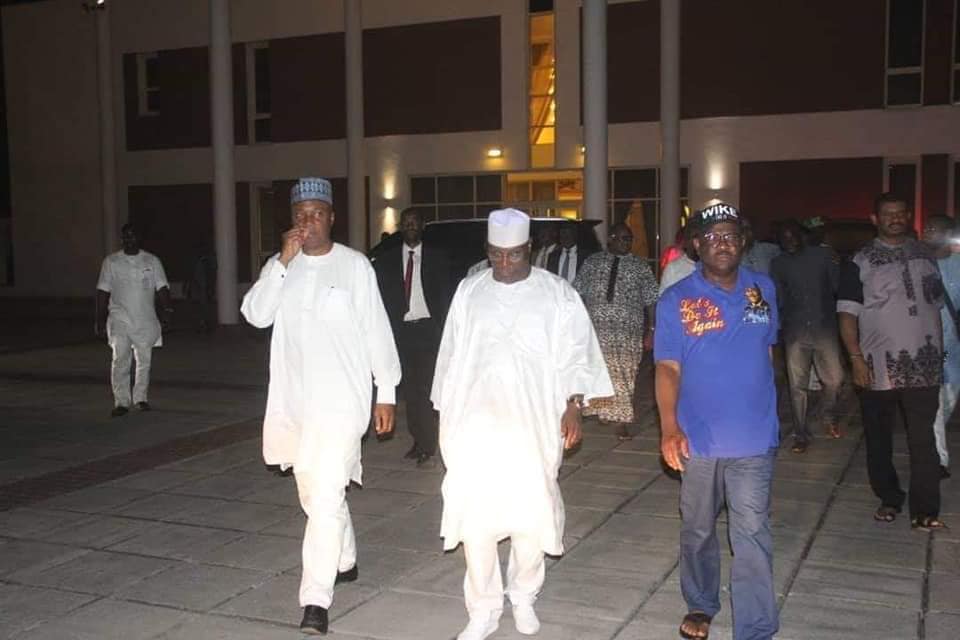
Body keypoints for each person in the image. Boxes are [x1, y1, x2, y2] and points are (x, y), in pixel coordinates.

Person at [432, 208, 612, 640]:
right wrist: (445, 413)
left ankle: (524, 594)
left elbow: (577, 351)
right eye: (496, 254)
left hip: (533, 422)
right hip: (476, 423)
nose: (505, 263)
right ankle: (483, 608)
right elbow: (450, 354)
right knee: (476, 519)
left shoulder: (556, 293)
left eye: (513, 255)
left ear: (529, 248)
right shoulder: (470, 290)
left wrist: (574, 404)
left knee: (532, 515)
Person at [240, 177, 401, 634]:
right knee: (316, 496)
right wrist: (281, 263)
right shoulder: (282, 266)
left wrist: (386, 391)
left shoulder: (354, 266)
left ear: (331, 217)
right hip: (294, 405)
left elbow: (376, 329)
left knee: (326, 495)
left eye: (316, 214)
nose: (307, 222)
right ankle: (344, 558)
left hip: (342, 404)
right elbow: (255, 315)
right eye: (300, 215)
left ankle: (315, 600)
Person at [655, 202, 780, 640]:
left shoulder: (763, 288)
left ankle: (756, 628)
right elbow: (667, 368)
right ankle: (701, 603)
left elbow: (767, 350)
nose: (722, 243)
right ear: (696, 245)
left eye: (730, 235)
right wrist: (669, 427)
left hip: (754, 437)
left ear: (743, 242)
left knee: (752, 532)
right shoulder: (675, 299)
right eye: (711, 236)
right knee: (698, 529)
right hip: (698, 439)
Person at [837, 193, 945, 531]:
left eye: (900, 213)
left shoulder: (926, 255)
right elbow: (846, 314)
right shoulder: (860, 260)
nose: (895, 218)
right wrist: (855, 359)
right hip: (877, 366)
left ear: (908, 216)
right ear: (875, 219)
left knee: (923, 439)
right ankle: (889, 496)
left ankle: (925, 508)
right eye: (888, 214)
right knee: (879, 438)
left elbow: (936, 308)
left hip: (925, 364)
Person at [372, 207, 452, 467]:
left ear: (422, 225)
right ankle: (418, 440)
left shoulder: (438, 257)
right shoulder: (387, 260)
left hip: (428, 331)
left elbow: (446, 297)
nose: (410, 226)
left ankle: (427, 443)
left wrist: (445, 332)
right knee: (409, 390)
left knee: (425, 388)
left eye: (414, 222)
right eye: (405, 222)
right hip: (402, 333)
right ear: (400, 226)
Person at [574, 223, 658, 440]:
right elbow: (578, 293)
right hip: (596, 331)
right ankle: (603, 411)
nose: (627, 242)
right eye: (623, 238)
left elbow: (651, 300)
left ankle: (622, 420)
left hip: (627, 333)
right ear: (610, 239)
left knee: (625, 374)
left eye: (629, 239)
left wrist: (652, 329)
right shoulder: (592, 262)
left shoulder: (640, 266)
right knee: (599, 370)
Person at [770, 220, 843, 453]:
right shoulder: (778, 264)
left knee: (834, 379)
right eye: (784, 238)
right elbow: (778, 297)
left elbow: (837, 286)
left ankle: (828, 413)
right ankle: (801, 433)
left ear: (802, 236)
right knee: (797, 386)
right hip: (795, 331)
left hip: (824, 328)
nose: (789, 241)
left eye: (792, 236)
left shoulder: (822, 256)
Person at [95, 223, 173, 417]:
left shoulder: (152, 261)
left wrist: (167, 310)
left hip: (145, 319)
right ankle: (121, 401)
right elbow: (102, 291)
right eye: (126, 236)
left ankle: (140, 398)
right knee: (120, 358)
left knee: (143, 360)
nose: (129, 239)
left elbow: (162, 288)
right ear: (122, 239)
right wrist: (99, 318)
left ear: (140, 238)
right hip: (119, 318)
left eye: (133, 235)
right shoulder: (111, 262)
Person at [921, 214, 957, 478]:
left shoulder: (958, 265)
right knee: (933, 407)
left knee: (947, 402)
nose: (926, 231)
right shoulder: (918, 263)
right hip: (925, 348)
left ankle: (930, 443)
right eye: (926, 227)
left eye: (932, 229)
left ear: (947, 234)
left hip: (953, 351)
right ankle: (938, 460)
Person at [659, 225, 697, 295]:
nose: (696, 244)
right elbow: (664, 297)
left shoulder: (711, 266)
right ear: (684, 242)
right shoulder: (673, 268)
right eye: (692, 239)